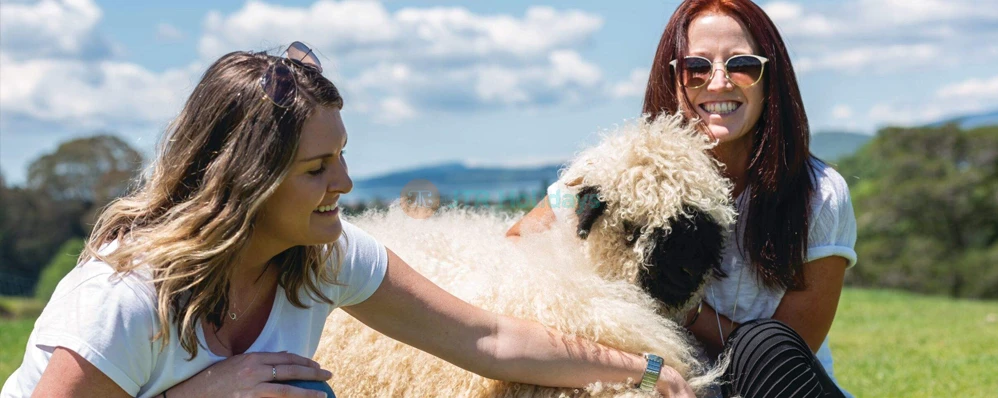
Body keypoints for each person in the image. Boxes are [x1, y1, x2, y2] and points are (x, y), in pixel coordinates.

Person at [0, 43, 696, 398]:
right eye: (316, 169)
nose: (345, 183)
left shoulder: (323, 255)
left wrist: (641, 370)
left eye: (342, 156)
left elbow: (487, 339)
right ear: (244, 182)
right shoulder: (128, 298)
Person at [507, 1, 857, 397]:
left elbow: (790, 355)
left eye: (742, 65)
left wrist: (685, 309)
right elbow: (517, 246)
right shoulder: (618, 171)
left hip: (770, 386)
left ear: (769, 79)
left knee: (766, 343)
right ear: (672, 79)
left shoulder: (819, 193)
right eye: (697, 68)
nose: (720, 82)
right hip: (659, 384)